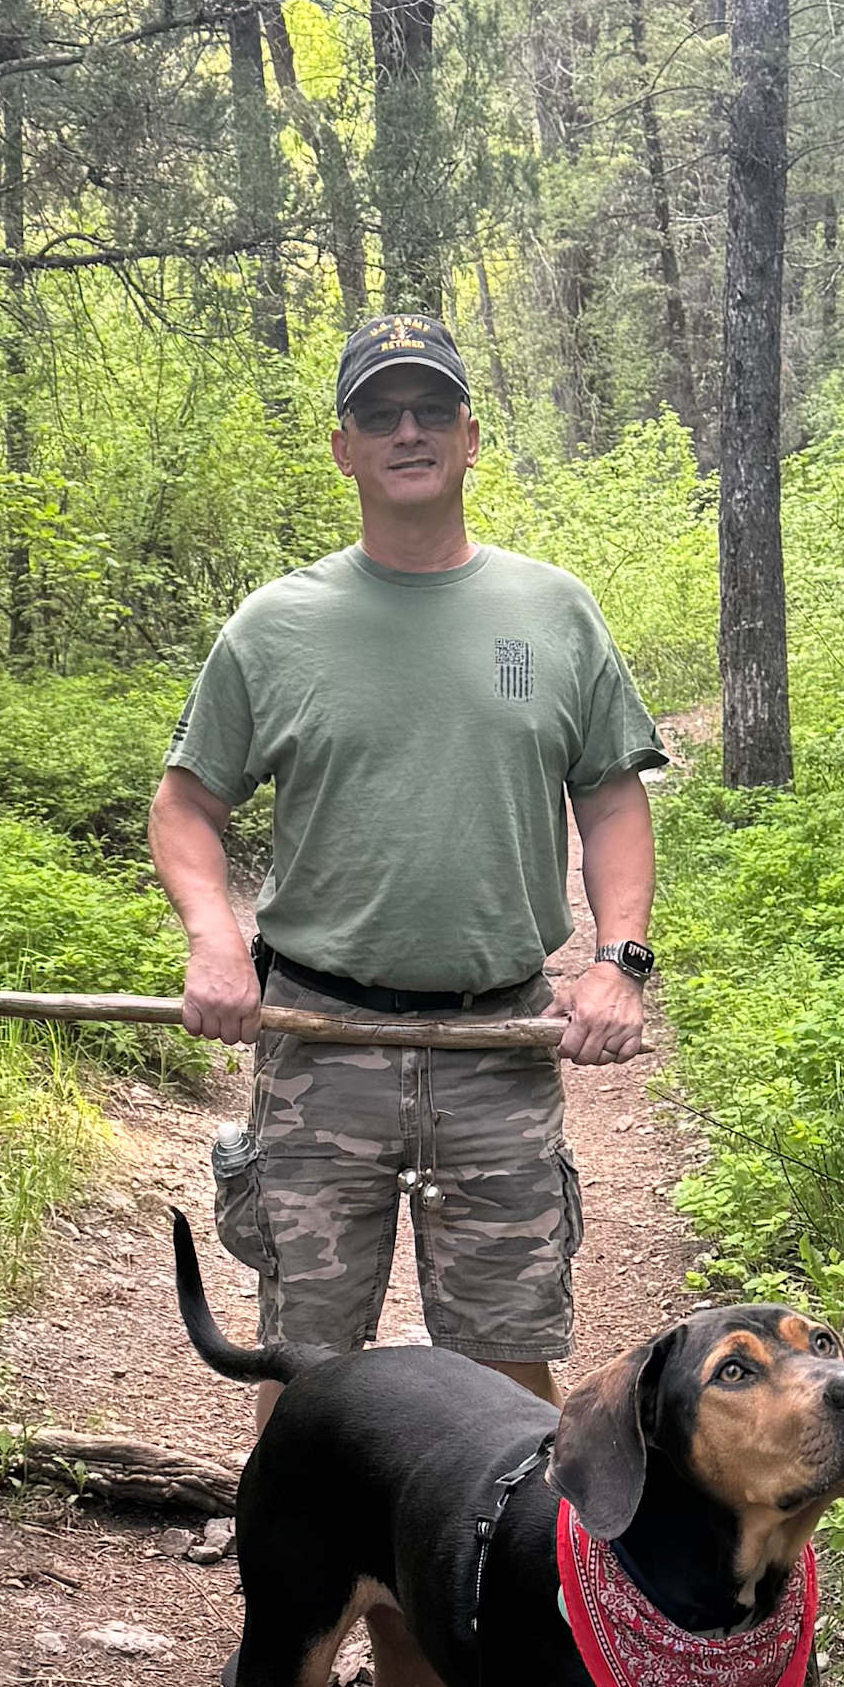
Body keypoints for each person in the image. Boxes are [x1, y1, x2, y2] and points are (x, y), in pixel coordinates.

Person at [148, 313, 666, 1403]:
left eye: (432, 407)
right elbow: (187, 805)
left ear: (471, 435)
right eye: (380, 413)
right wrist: (212, 943)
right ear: (344, 447)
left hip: (501, 1037)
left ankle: (497, 1570)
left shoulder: (553, 611)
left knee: (508, 1359)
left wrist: (619, 960)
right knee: (308, 1359)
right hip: (317, 1037)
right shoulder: (276, 626)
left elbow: (612, 796)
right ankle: (314, 1569)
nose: (408, 430)